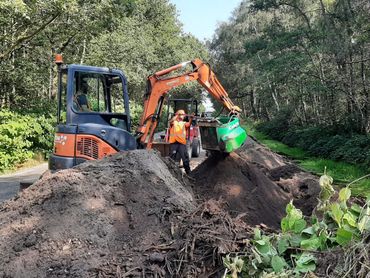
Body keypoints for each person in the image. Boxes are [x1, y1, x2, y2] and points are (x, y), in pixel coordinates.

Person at [169, 109, 193, 174]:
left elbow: (189, 124)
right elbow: (170, 122)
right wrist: (177, 115)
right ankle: (170, 172)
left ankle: (188, 171)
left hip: (181, 143)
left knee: (185, 158)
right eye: (181, 114)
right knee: (172, 157)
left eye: (183, 115)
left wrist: (191, 119)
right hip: (174, 143)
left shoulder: (184, 123)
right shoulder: (174, 122)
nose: (182, 116)